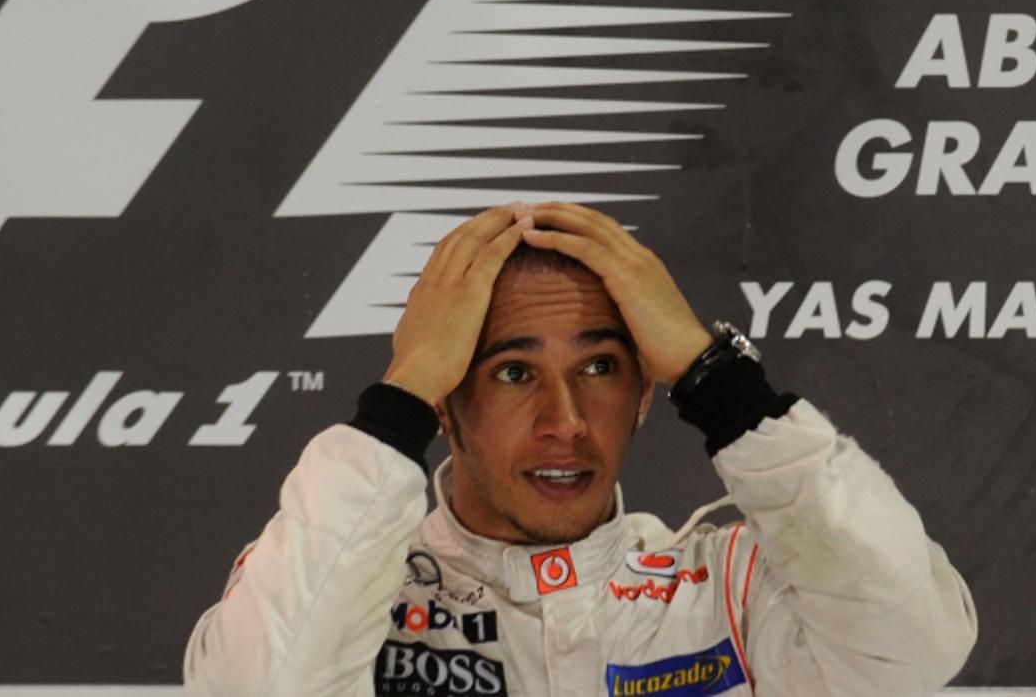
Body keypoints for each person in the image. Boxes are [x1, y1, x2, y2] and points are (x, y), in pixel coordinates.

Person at [184, 202, 977, 696]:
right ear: (447, 405)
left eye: (599, 367)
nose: (564, 418)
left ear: (643, 392)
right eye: (514, 372)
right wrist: (399, 395)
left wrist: (720, 380)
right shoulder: (347, 591)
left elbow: (915, 644)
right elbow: (258, 687)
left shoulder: (727, 595)